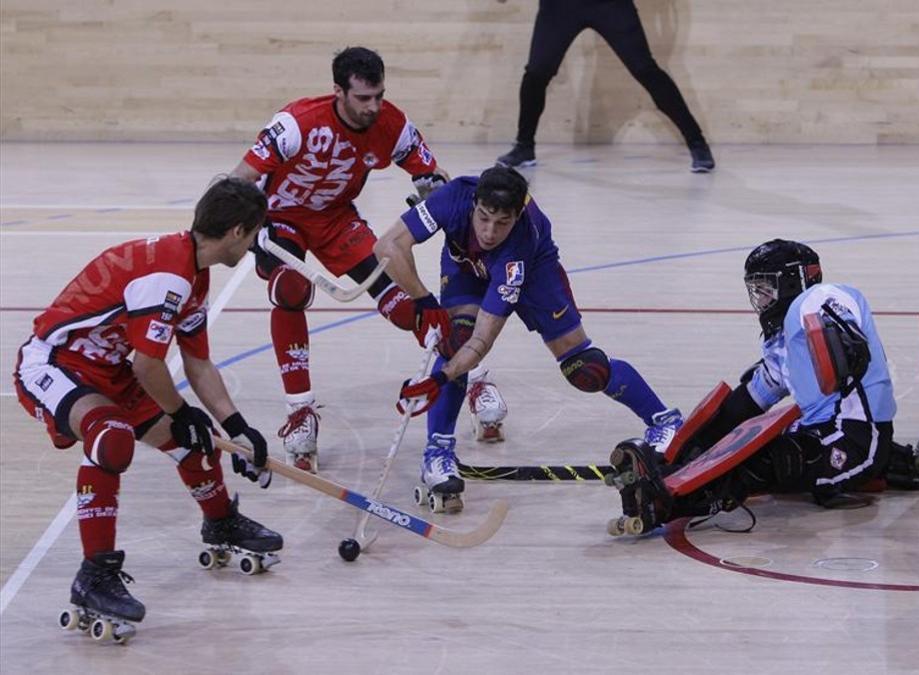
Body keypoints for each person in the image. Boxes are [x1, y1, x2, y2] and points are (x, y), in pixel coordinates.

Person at [12, 177, 282, 636]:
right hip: (56, 364)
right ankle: (94, 575)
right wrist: (181, 412)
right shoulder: (169, 277)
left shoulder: (195, 272)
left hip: (107, 369)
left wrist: (236, 426)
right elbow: (148, 366)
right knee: (113, 439)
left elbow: (197, 360)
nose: (257, 244)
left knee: (196, 443)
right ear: (238, 231)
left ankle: (220, 523)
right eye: (256, 232)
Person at [231, 46, 506, 472]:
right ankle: (300, 412)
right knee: (291, 289)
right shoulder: (296, 123)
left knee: (406, 306)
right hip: (282, 219)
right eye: (363, 98)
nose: (373, 106)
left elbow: (435, 178)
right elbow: (238, 180)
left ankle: (476, 380)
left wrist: (434, 191)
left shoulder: (391, 124)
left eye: (379, 95)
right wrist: (243, 228)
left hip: (337, 221)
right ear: (338, 91)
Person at [374, 165, 684, 512]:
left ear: (518, 215)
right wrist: (424, 301)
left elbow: (482, 341)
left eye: (501, 222)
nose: (489, 231)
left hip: (536, 270)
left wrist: (439, 377)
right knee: (453, 341)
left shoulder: (517, 251)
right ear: (474, 203)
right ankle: (438, 452)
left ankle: (666, 421)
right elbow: (388, 245)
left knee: (584, 368)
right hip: (466, 267)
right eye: (484, 218)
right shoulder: (453, 197)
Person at [606, 239, 919, 534]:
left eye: (766, 288)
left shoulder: (817, 300)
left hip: (854, 439)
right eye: (757, 289)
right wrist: (685, 453)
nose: (761, 299)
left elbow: (838, 318)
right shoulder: (785, 345)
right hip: (828, 433)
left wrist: (842, 340)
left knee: (767, 461)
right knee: (750, 438)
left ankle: (667, 503)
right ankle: (671, 477)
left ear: (793, 281)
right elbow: (744, 406)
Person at [495, 0, 715, 173]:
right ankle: (524, 147)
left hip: (610, 5)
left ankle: (697, 142)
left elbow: (672, 15)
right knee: (536, 72)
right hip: (560, 6)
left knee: (645, 69)